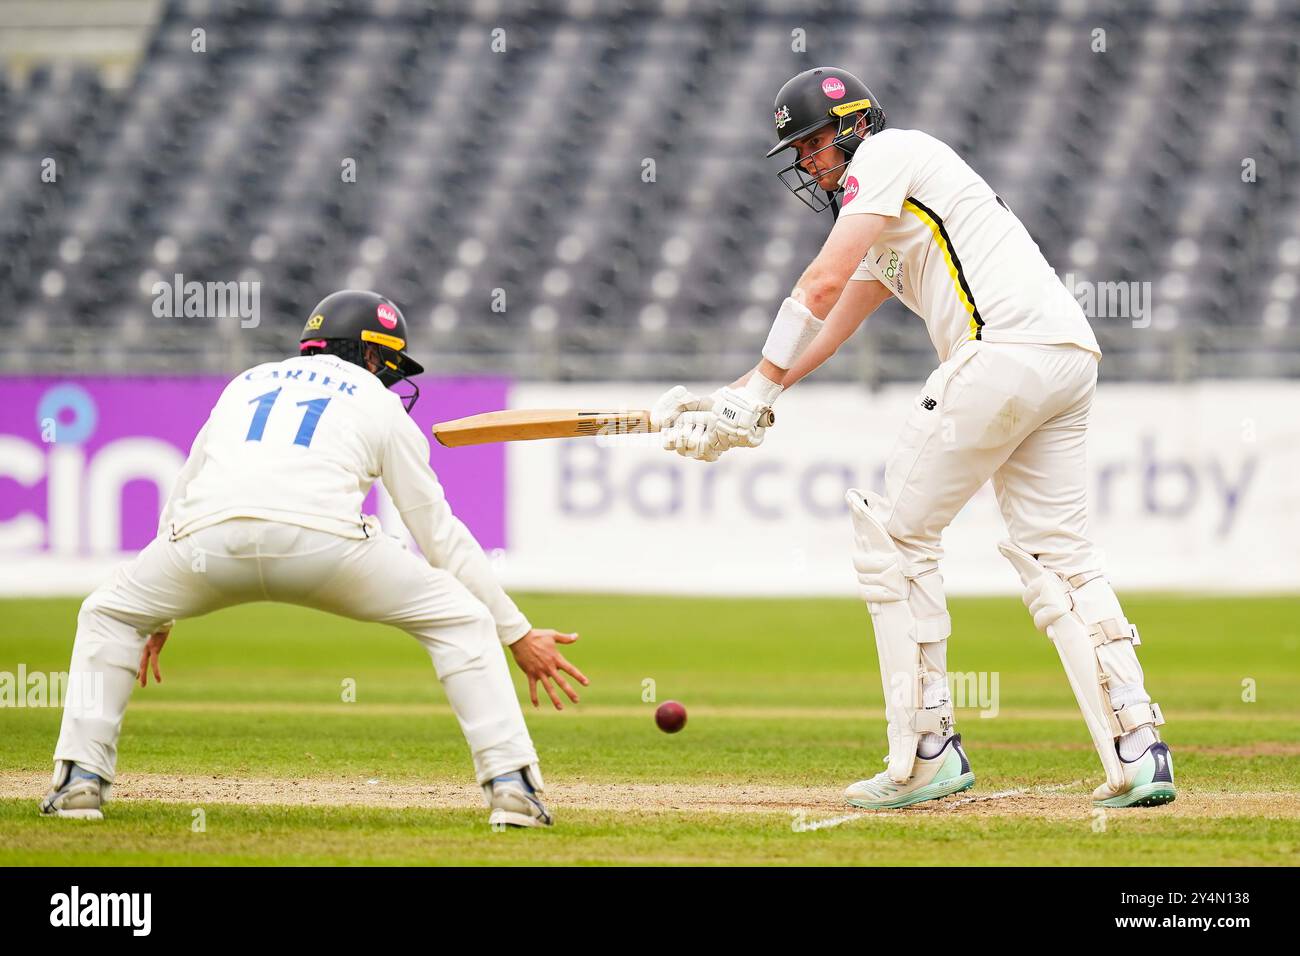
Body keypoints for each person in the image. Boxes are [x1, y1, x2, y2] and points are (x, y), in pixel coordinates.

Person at [653, 67, 1175, 810]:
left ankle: (927, 753)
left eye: (814, 143)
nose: (808, 162)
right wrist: (737, 399)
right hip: (1065, 357)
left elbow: (818, 286)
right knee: (1059, 555)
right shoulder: (895, 203)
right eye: (798, 150)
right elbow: (830, 328)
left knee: (893, 539)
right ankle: (1139, 748)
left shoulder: (889, 156)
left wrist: (761, 387)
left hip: (1002, 352)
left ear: (857, 125)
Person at [39, 289, 587, 828]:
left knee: (108, 613)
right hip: (324, 544)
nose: (392, 376)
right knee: (463, 619)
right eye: (389, 362)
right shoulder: (376, 401)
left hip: (207, 542)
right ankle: (511, 786)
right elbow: (438, 534)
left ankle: (78, 782)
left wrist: (157, 611)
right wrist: (516, 633)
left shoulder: (246, 382)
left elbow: (183, 493)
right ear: (369, 353)